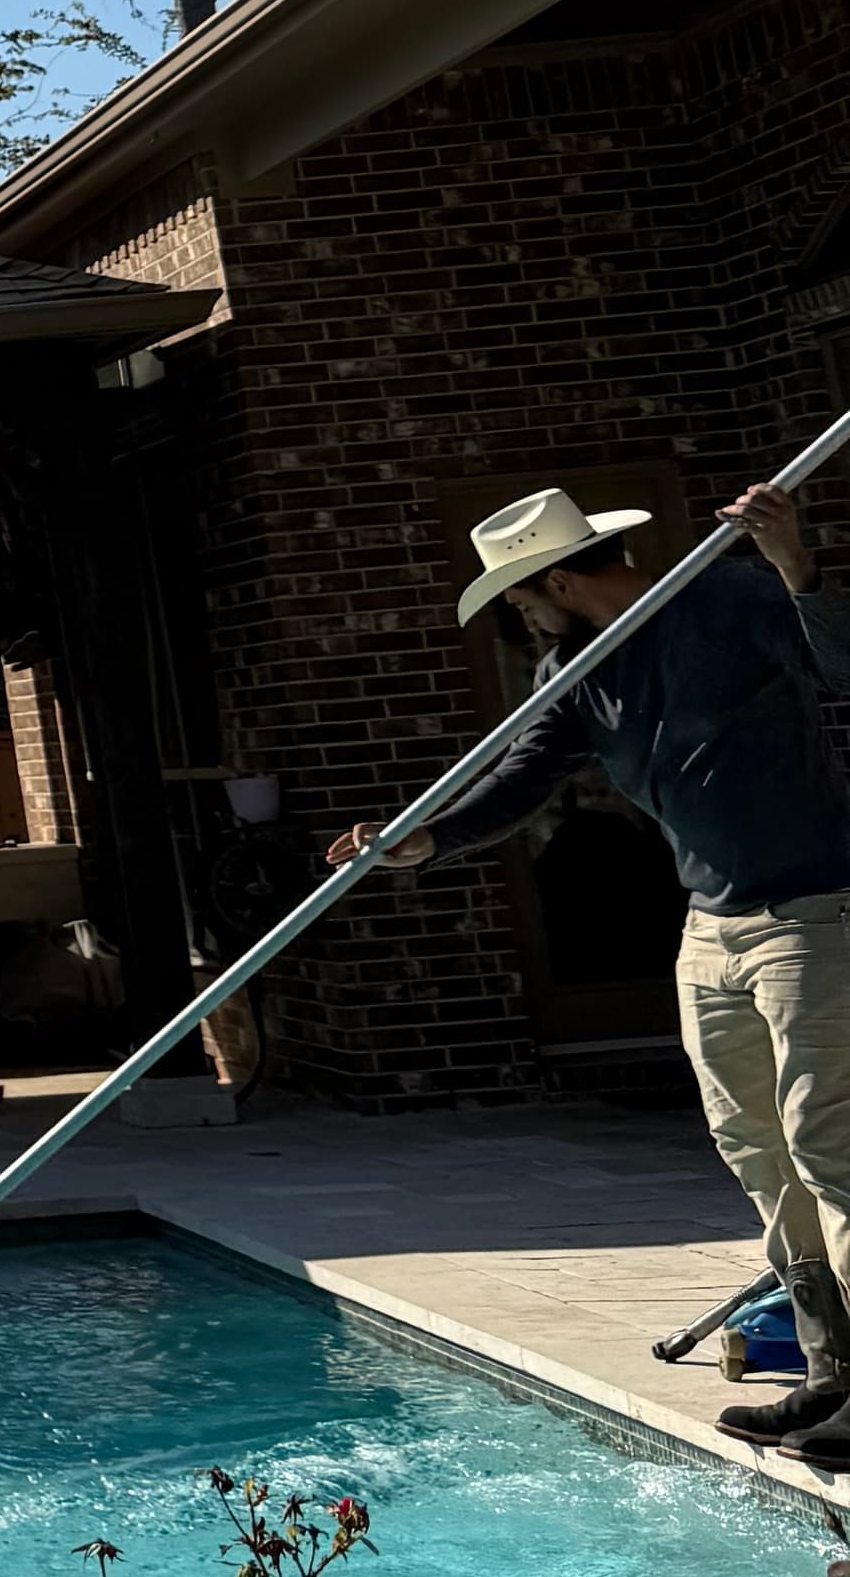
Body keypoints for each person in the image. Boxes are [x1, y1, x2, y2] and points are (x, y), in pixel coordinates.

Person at [332, 476, 850, 1458]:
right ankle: (832, 1374)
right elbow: (517, 777)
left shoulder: (728, 598)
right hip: (713, 926)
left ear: (561, 579)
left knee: (829, 1140)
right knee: (758, 1154)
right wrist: (425, 841)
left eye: (521, 596)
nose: (520, 615)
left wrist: (797, 567)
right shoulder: (576, 670)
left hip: (813, 913)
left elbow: (843, 665)